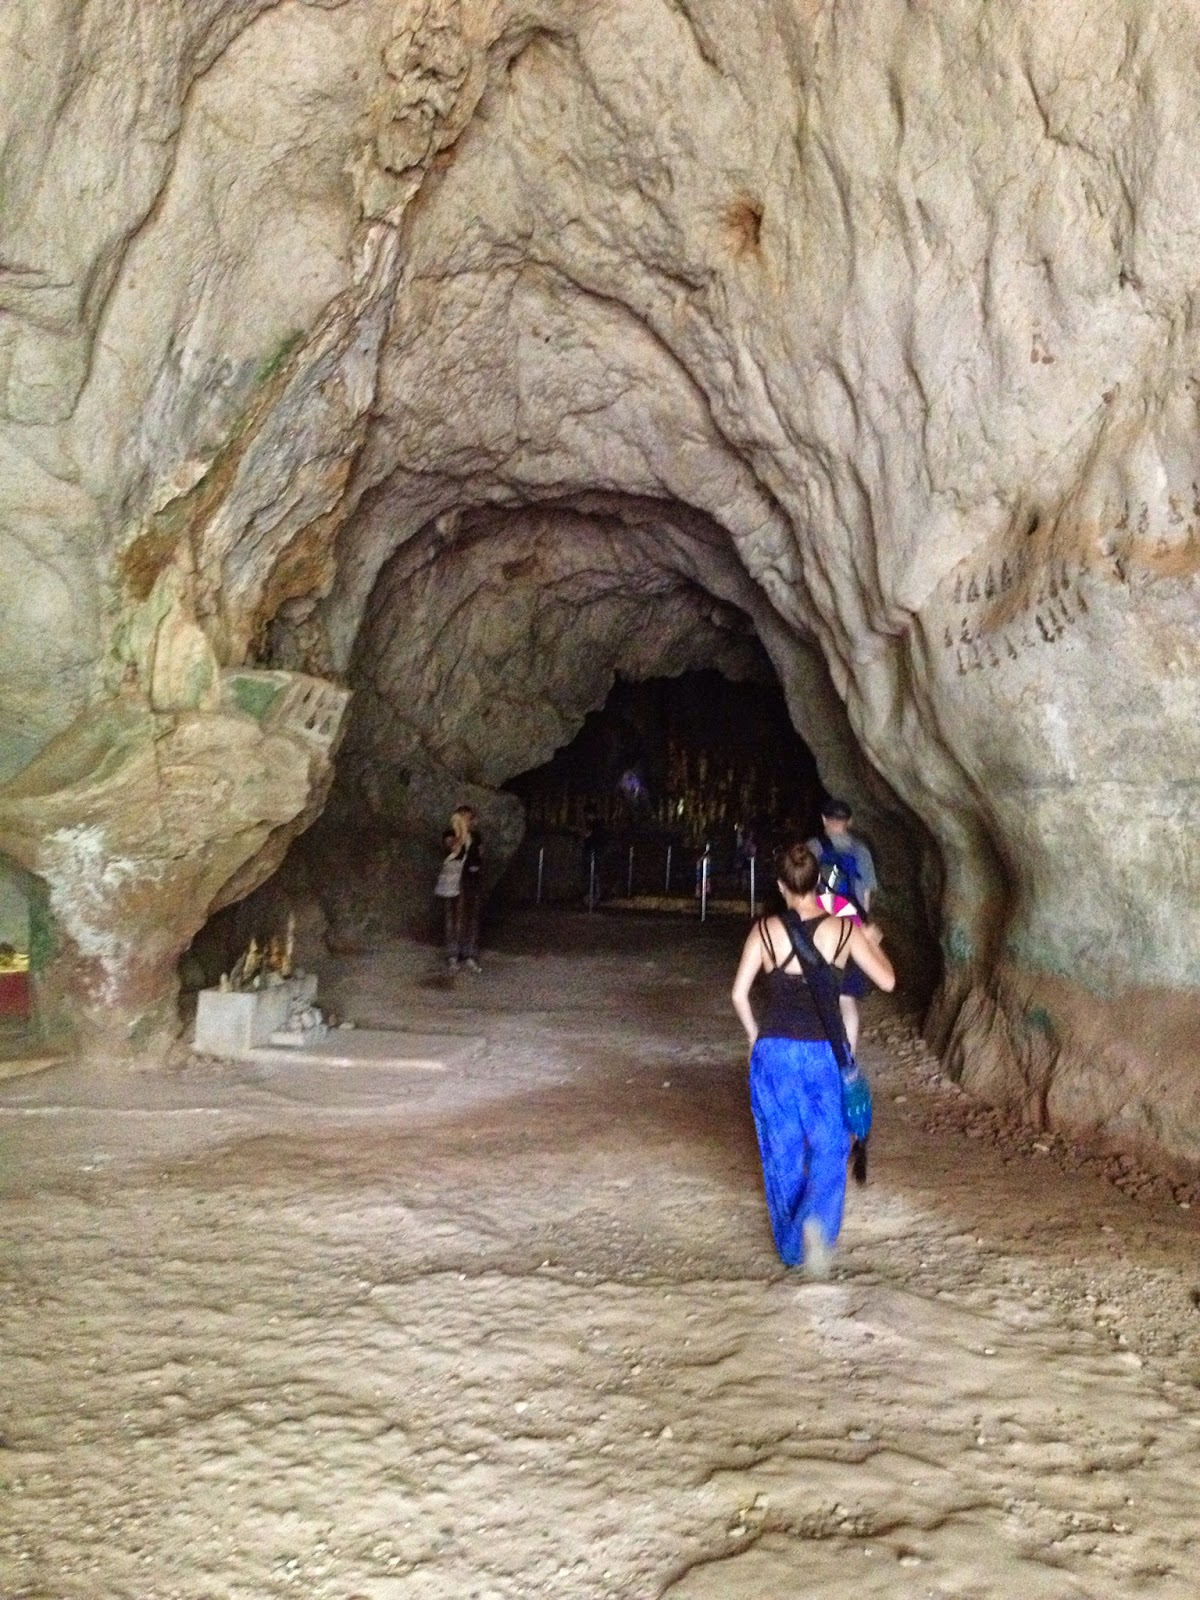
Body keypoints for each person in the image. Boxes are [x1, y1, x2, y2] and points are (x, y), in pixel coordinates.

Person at [731, 841, 895, 1274]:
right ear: (819, 880)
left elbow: (739, 994)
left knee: (781, 1148)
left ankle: (792, 1249)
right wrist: (872, 940)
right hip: (825, 1052)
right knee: (830, 1146)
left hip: (775, 1051)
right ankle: (816, 1228)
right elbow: (888, 980)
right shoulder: (844, 929)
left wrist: (753, 1037)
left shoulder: (764, 930)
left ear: (783, 886)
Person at [807, 797, 879, 1055]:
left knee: (818, 994)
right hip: (852, 926)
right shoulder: (861, 851)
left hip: (820, 925)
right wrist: (861, 924)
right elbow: (867, 895)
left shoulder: (813, 848)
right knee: (846, 997)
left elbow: (803, 889)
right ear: (849, 821)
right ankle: (847, 1057)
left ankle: (820, 1054)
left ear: (824, 819)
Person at [442, 805, 484, 972]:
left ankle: (469, 954)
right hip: (454, 880)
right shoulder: (450, 834)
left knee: (471, 916)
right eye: (466, 817)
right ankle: (453, 954)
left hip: (471, 879)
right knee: (453, 916)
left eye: (471, 817)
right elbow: (453, 849)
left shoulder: (477, 836)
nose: (470, 821)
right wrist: (461, 832)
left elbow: (480, 854)